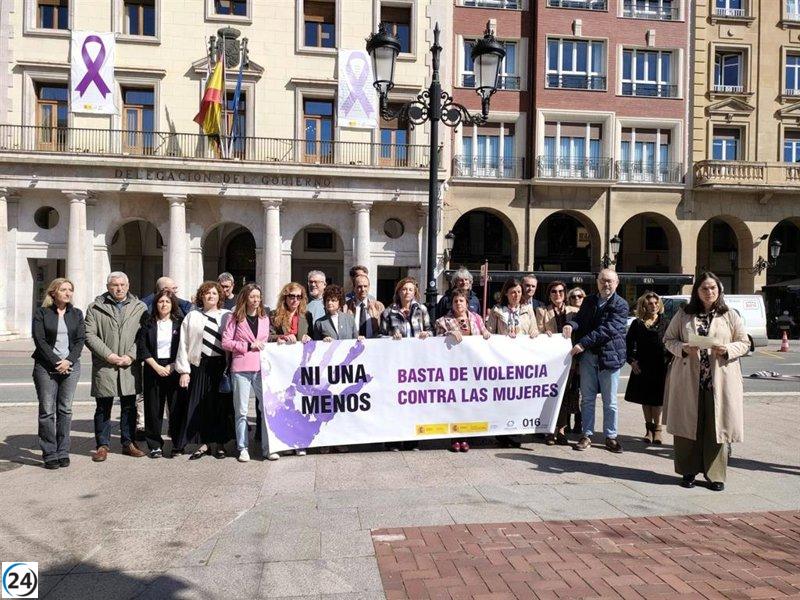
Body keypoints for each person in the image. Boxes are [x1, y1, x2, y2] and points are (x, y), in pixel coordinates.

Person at [663, 272, 749, 491]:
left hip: (719, 380)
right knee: (687, 427)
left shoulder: (729, 315)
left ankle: (716, 475)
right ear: (697, 291)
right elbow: (668, 339)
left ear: (719, 290)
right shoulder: (684, 314)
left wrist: (727, 349)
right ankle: (688, 472)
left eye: (713, 288)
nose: (709, 292)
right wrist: (682, 348)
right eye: (704, 288)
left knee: (717, 427)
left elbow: (744, 342)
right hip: (688, 379)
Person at [85, 272, 148, 462]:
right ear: (108, 286)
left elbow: (143, 335)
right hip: (106, 365)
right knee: (103, 407)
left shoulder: (140, 307)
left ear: (128, 286)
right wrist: (109, 355)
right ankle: (102, 445)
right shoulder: (95, 307)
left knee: (129, 406)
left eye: (122, 285)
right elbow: (89, 335)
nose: (119, 288)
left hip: (129, 365)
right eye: (114, 285)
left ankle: (128, 443)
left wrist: (131, 356)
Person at [566, 269, 628, 454]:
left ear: (617, 283)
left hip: (610, 357)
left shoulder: (621, 304)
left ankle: (611, 436)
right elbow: (580, 320)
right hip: (588, 358)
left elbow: (608, 329)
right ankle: (586, 434)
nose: (606, 284)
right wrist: (571, 325)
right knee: (587, 398)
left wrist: (583, 343)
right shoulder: (590, 300)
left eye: (610, 281)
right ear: (597, 282)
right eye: (603, 280)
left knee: (610, 401)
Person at [176, 281, 233, 460]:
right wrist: (184, 370)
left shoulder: (227, 316)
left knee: (221, 406)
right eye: (207, 293)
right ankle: (205, 443)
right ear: (201, 296)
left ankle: (221, 443)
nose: (211, 296)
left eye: (214, 293)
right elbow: (183, 344)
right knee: (201, 406)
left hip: (221, 366)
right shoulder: (192, 316)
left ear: (220, 296)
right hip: (200, 365)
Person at [32, 278, 85, 469]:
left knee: (65, 409)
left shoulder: (76, 314)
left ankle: (63, 451)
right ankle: (49, 452)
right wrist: (56, 362)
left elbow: (80, 340)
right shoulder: (42, 313)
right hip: (46, 367)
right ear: (53, 292)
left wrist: (68, 361)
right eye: (63, 289)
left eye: (70, 290)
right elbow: (40, 340)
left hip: (71, 367)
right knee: (47, 411)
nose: (68, 293)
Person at [222, 283, 273, 462]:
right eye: (252, 297)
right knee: (242, 411)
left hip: (261, 368)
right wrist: (246, 346)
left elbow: (268, 340)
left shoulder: (265, 318)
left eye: (258, 297)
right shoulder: (234, 317)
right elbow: (226, 342)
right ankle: (243, 447)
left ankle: (269, 448)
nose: (256, 300)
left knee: (266, 409)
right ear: (245, 297)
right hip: (241, 368)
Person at [434, 289, 490, 453]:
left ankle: (465, 437)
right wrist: (449, 333)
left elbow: (485, 333)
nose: (459, 304)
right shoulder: (443, 321)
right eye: (456, 301)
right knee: (455, 402)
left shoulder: (477, 319)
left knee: (468, 402)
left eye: (461, 301)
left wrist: (486, 333)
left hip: (472, 368)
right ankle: (455, 438)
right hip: (453, 368)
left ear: (467, 304)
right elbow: (435, 342)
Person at [486, 277, 539, 448]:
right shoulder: (497, 311)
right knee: (503, 397)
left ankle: (515, 434)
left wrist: (535, 334)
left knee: (518, 398)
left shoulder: (528, 310)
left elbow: (534, 330)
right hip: (502, 362)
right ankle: (502, 434)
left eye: (518, 292)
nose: (516, 295)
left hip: (522, 363)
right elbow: (489, 333)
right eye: (512, 292)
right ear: (506, 294)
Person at [381, 277, 432, 451]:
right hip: (396, 364)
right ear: (398, 292)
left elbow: (430, 330)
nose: (407, 292)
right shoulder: (389, 312)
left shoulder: (422, 309)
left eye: (410, 289)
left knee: (413, 403)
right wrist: (390, 337)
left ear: (415, 292)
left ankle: (412, 441)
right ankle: (393, 441)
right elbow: (380, 337)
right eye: (404, 289)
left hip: (416, 364)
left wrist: (427, 334)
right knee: (395, 403)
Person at [136, 288, 184, 458]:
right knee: (153, 408)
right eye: (161, 301)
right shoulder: (148, 323)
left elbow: (183, 347)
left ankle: (177, 444)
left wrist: (172, 366)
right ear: (156, 304)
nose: (164, 304)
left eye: (167, 302)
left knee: (176, 407)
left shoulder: (179, 323)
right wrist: (156, 366)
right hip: (153, 367)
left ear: (173, 304)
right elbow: (142, 347)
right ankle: (155, 444)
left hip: (173, 368)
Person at [269, 282, 313, 456]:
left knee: (299, 404)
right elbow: (268, 336)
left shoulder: (306, 316)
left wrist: (309, 338)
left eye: (298, 296)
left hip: (300, 366)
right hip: (281, 367)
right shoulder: (274, 315)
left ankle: (299, 441)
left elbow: (314, 337)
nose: (295, 300)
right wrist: (280, 337)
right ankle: (283, 442)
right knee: (282, 404)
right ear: (285, 297)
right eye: (291, 296)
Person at [536, 280, 578, 446]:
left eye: (561, 291)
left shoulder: (574, 311)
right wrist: (544, 332)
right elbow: (537, 331)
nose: (557, 294)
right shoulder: (542, 311)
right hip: (550, 362)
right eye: (554, 291)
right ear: (549, 294)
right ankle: (549, 430)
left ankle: (561, 429)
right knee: (549, 394)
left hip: (569, 360)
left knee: (565, 395)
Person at [625, 292, 670, 445]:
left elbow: (672, 343)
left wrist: (670, 362)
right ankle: (648, 430)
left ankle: (658, 430)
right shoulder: (637, 323)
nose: (653, 306)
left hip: (661, 366)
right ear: (644, 305)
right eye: (650, 303)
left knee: (657, 400)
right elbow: (628, 344)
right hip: (642, 366)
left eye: (656, 303)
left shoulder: (666, 322)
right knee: (646, 399)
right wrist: (631, 361)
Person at [566, 286, 586, 433]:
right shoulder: (566, 313)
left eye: (580, 296)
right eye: (573, 296)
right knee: (567, 391)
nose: (577, 299)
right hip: (567, 358)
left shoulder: (588, 312)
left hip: (582, 358)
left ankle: (579, 423)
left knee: (580, 392)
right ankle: (565, 423)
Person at [344, 274, 385, 338]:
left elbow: (383, 330)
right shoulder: (346, 307)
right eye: (359, 287)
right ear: (354, 288)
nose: (363, 289)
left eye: (365, 286)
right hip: (352, 344)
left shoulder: (378, 306)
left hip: (373, 344)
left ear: (369, 287)